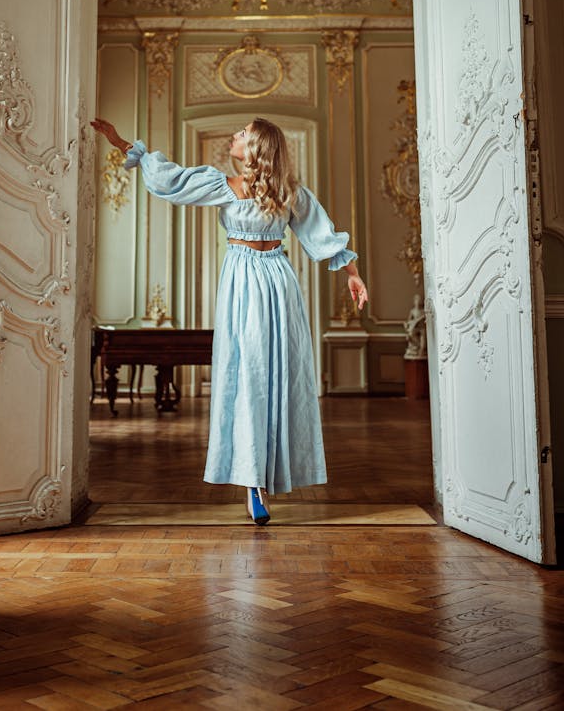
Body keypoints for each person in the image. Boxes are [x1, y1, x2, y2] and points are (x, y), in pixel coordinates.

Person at [91, 116, 368, 525]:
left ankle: (268, 475)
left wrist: (353, 275)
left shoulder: (291, 193)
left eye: (243, 133)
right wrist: (120, 143)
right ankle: (252, 483)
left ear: (257, 145)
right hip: (241, 281)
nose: (235, 136)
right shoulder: (224, 185)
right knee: (249, 376)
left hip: (277, 281)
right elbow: (171, 180)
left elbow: (322, 235)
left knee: (278, 374)